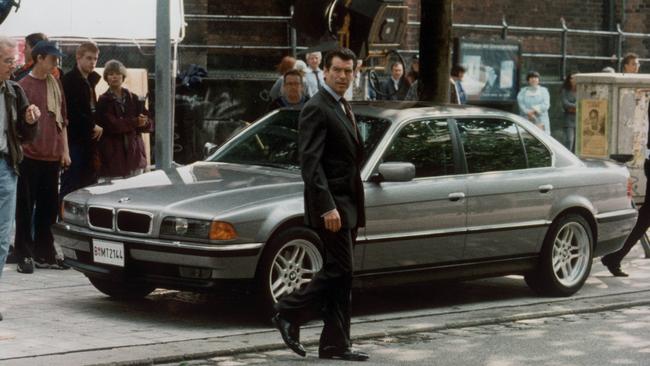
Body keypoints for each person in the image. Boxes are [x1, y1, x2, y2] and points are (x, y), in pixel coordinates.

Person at [271, 47, 369, 362]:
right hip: (332, 206)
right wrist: (327, 206)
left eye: (348, 71)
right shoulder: (317, 107)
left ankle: (335, 344)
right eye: (337, 70)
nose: (342, 76)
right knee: (341, 269)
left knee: (341, 275)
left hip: (348, 204)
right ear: (324, 71)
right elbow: (310, 165)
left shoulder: (342, 105)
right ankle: (287, 311)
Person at [14, 40, 70, 273]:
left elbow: (63, 121)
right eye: (52, 59)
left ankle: (45, 253)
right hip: (29, 155)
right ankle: (24, 255)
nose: (56, 63)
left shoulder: (55, 83)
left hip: (51, 155)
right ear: (39, 58)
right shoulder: (22, 85)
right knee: (25, 208)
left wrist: (64, 151)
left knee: (48, 209)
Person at [0, 36, 40, 320]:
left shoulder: (14, 91)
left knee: (2, 238)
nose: (12, 67)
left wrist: (30, 121)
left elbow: (27, 136)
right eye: (7, 61)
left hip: (5, 167)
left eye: (14, 60)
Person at [60, 42, 102, 203]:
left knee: (87, 184)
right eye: (89, 58)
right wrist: (92, 125)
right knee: (71, 184)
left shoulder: (89, 80)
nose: (92, 62)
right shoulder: (70, 80)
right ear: (78, 57)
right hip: (75, 140)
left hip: (88, 141)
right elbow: (71, 111)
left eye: (95, 59)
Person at [95, 60, 151, 179]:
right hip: (114, 157)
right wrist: (136, 122)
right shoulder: (103, 101)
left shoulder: (134, 98)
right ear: (106, 78)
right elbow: (113, 125)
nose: (114, 77)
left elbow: (150, 123)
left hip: (135, 156)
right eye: (110, 74)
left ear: (123, 76)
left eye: (117, 73)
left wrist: (144, 122)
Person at [561, 73, 577, 151]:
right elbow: (565, 103)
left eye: (575, 78)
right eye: (571, 78)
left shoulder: (582, 89)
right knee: (569, 140)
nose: (573, 80)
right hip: (569, 119)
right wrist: (576, 107)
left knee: (578, 142)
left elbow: (584, 103)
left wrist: (573, 107)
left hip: (580, 119)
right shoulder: (565, 90)